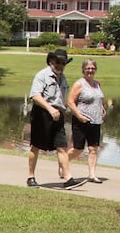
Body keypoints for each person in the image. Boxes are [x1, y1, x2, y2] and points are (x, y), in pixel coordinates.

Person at [27, 48, 82, 188]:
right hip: (42, 113)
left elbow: (61, 98)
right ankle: (31, 177)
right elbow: (35, 96)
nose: (60, 65)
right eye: (58, 62)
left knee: (62, 146)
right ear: (51, 61)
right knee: (36, 146)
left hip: (58, 115)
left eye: (63, 63)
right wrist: (50, 108)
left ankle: (68, 179)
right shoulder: (42, 75)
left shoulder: (62, 78)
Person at [67, 58, 107, 183]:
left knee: (93, 148)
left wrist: (102, 109)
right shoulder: (79, 84)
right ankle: (63, 162)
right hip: (81, 120)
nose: (90, 70)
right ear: (83, 70)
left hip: (96, 121)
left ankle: (92, 175)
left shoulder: (97, 84)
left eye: (92, 68)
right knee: (78, 149)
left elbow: (98, 99)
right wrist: (79, 115)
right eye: (88, 68)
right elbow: (70, 102)